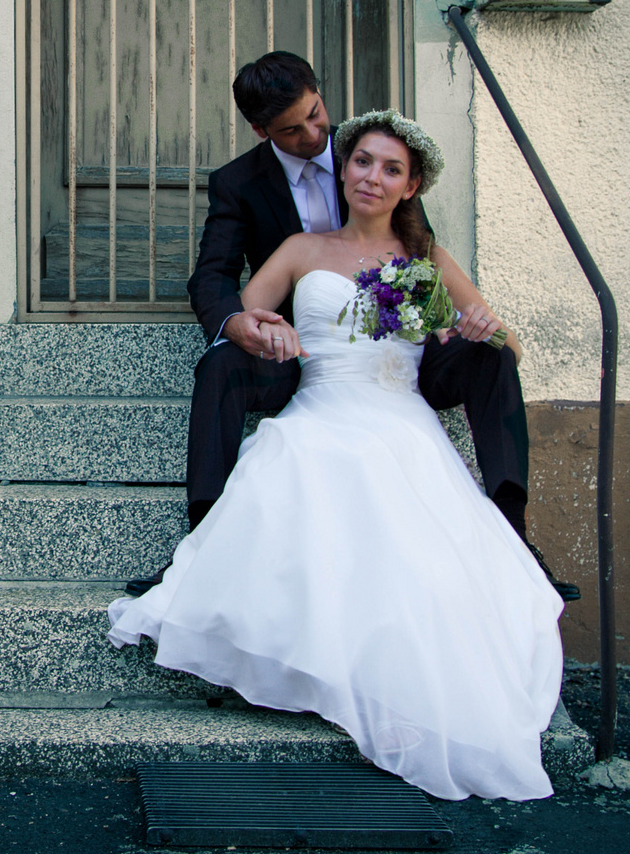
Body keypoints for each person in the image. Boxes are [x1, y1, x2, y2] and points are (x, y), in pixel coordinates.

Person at [108, 111, 564, 800]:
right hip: (320, 403)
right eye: (361, 163)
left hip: (399, 413)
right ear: (342, 169)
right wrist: (265, 332)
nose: (370, 178)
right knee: (306, 472)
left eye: (389, 169)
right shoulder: (299, 247)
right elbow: (243, 322)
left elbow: (506, 349)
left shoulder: (428, 262)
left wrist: (481, 328)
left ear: (410, 187)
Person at [126, 52, 578, 603]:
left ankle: (513, 532)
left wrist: (471, 326)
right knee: (220, 361)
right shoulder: (244, 188)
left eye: (317, 115)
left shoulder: (372, 149)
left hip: (398, 361)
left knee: (493, 356)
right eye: (293, 129)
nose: (315, 135)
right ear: (261, 130)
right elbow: (214, 276)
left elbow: (416, 260)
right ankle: (203, 543)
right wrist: (242, 324)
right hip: (305, 355)